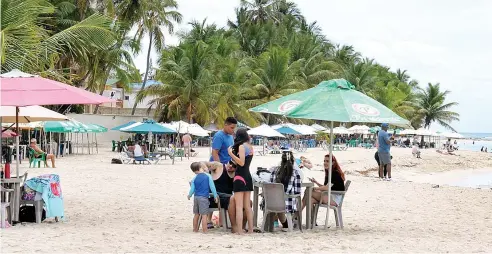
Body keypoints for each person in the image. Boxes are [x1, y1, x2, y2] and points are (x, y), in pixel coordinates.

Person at [227, 128, 254, 234]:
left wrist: (231, 154)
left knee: (239, 206)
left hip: (240, 177)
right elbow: (244, 162)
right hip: (248, 176)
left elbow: (241, 163)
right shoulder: (250, 147)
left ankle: (239, 231)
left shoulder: (242, 147)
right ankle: (251, 229)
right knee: (247, 206)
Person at [270, 151, 302, 228]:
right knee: (297, 199)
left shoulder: (274, 171)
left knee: (278, 202)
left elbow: (271, 185)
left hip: (272, 203)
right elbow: (298, 191)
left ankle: (284, 224)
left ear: (281, 160)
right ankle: (293, 222)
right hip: (288, 205)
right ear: (293, 161)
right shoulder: (296, 173)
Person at [188, 162, 218, 233]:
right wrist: (215, 195)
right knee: (204, 215)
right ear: (200, 168)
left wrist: (189, 195)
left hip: (196, 198)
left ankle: (195, 229)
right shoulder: (208, 176)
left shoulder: (194, 178)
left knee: (196, 214)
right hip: (204, 198)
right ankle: (205, 230)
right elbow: (212, 187)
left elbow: (192, 189)